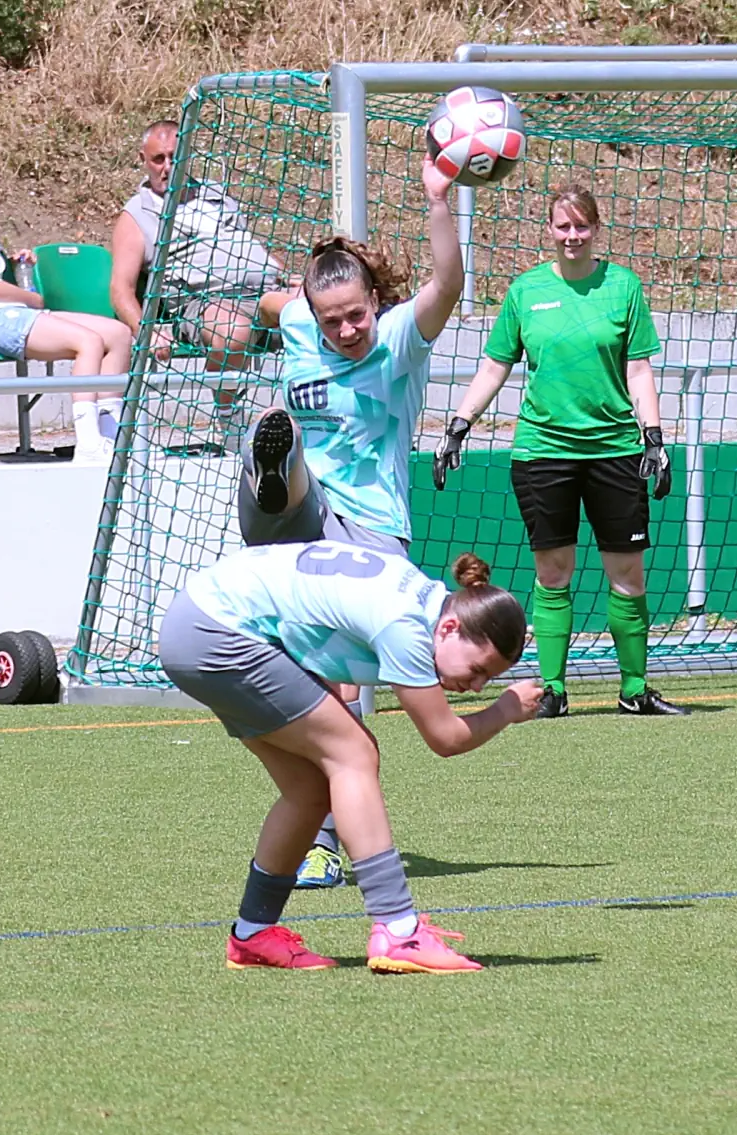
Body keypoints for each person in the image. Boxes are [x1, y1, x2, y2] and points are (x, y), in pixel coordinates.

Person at [158, 543, 542, 974]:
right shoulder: (405, 626)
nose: (476, 686)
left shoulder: (419, 603)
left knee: (309, 789)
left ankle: (253, 934)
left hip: (199, 623)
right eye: (478, 670)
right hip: (217, 630)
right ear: (450, 627)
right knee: (354, 754)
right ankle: (399, 930)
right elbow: (445, 737)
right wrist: (505, 709)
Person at [242, 155, 465, 891]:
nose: (345, 329)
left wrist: (439, 202)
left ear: (375, 299)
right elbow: (275, 306)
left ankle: (326, 839)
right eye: (331, 319)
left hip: (371, 529)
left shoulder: (400, 337)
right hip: (306, 514)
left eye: (356, 314)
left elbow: (448, 285)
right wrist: (238, 310)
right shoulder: (301, 321)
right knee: (273, 447)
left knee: (336, 688)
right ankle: (271, 471)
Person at [443, 184, 685, 718]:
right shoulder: (526, 291)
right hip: (543, 453)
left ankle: (635, 690)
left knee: (628, 576)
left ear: (595, 229)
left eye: (581, 226)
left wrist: (654, 436)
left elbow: (638, 369)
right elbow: (495, 365)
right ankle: (551, 690)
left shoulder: (623, 287)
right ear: (549, 230)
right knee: (553, 574)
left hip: (615, 451)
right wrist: (459, 425)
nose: (572, 235)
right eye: (563, 226)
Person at [0, 157, 132, 463]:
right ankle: (89, 443)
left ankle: (110, 434)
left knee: (118, 334)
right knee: (88, 342)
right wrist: (31, 298)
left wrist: (16, 262)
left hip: (11, 313)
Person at [109, 119, 296, 450]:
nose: (168, 167)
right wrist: (147, 331)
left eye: (175, 156)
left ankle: (325, 416)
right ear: (143, 160)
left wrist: (286, 276)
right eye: (159, 159)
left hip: (262, 291)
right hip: (201, 301)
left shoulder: (216, 196)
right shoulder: (138, 215)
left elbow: (246, 247)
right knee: (232, 330)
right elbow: (120, 289)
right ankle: (229, 415)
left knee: (317, 310)